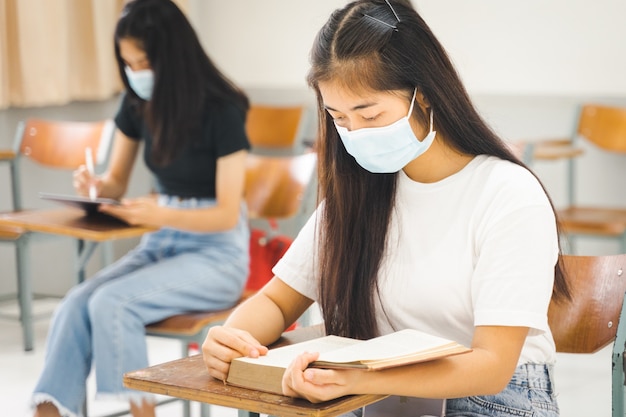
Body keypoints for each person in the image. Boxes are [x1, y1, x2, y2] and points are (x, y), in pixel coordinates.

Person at [202, 1, 570, 416]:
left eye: (369, 113)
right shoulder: (357, 194)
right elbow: (277, 301)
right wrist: (233, 337)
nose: (355, 134)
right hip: (379, 394)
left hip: (492, 396)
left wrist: (365, 380)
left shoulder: (507, 193)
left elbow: (492, 365)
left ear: (425, 95)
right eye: (338, 118)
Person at [31, 0, 251, 416]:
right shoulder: (136, 103)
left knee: (112, 303)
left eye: (143, 61)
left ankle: (140, 412)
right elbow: (114, 181)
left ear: (173, 56)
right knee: (75, 303)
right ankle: (50, 409)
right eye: (127, 61)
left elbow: (225, 213)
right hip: (161, 242)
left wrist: (160, 213)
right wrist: (95, 186)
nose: (135, 72)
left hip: (217, 252)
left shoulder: (223, 108)